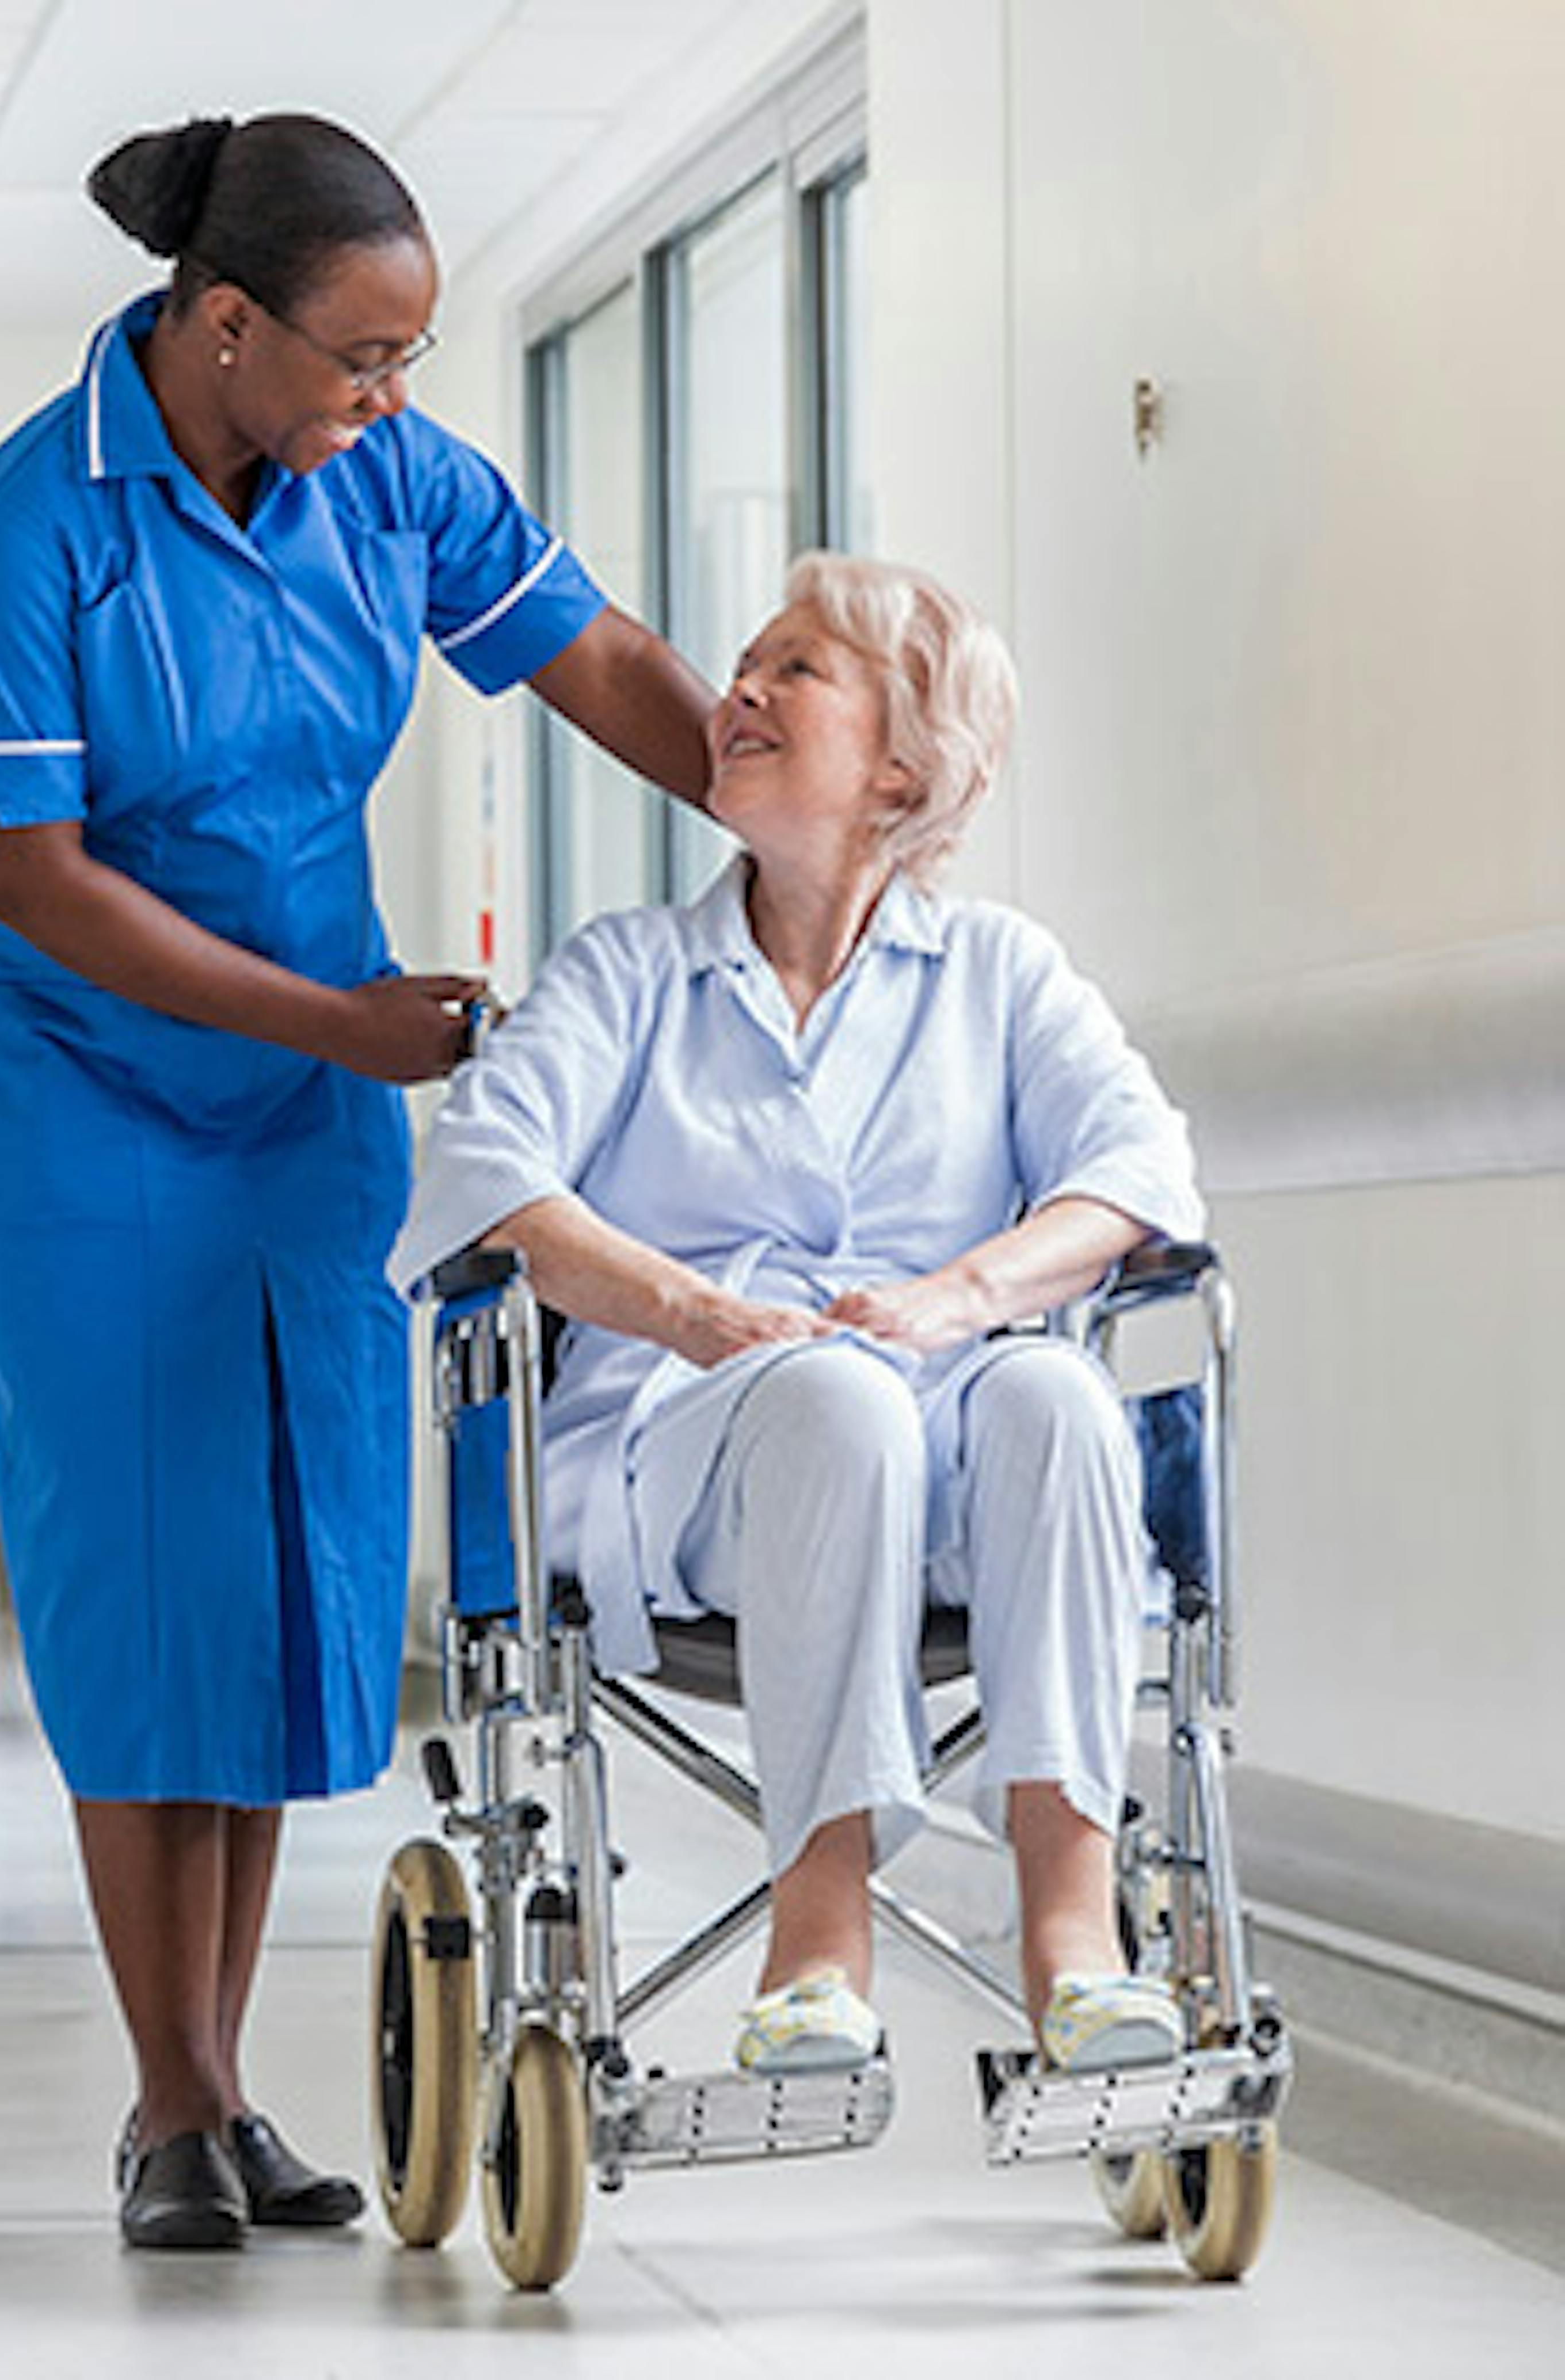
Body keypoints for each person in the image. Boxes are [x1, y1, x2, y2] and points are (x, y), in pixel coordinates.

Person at [0, 113, 716, 2251]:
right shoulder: (25, 529)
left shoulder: (389, 481)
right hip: (85, 1094)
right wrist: (334, 1020)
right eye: (365, 355)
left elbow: (597, 659)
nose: (394, 398)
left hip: (303, 1108)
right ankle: (172, 2101)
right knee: (138, 1576)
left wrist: (802, 793)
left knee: (278, 1579)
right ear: (226, 321)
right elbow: (28, 874)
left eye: (416, 357)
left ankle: (225, 2092)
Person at [390, 551, 1205, 2082]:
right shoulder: (628, 974)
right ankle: (819, 1940)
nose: (738, 691)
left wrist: (958, 1298)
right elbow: (484, 1176)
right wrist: (692, 1313)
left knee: (1055, 1398)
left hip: (957, 1436)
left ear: (901, 768)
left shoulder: (1001, 975)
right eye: (745, 664)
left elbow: (1141, 1174)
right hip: (684, 1461)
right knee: (836, 1399)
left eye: (797, 670)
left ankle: (1075, 1940)